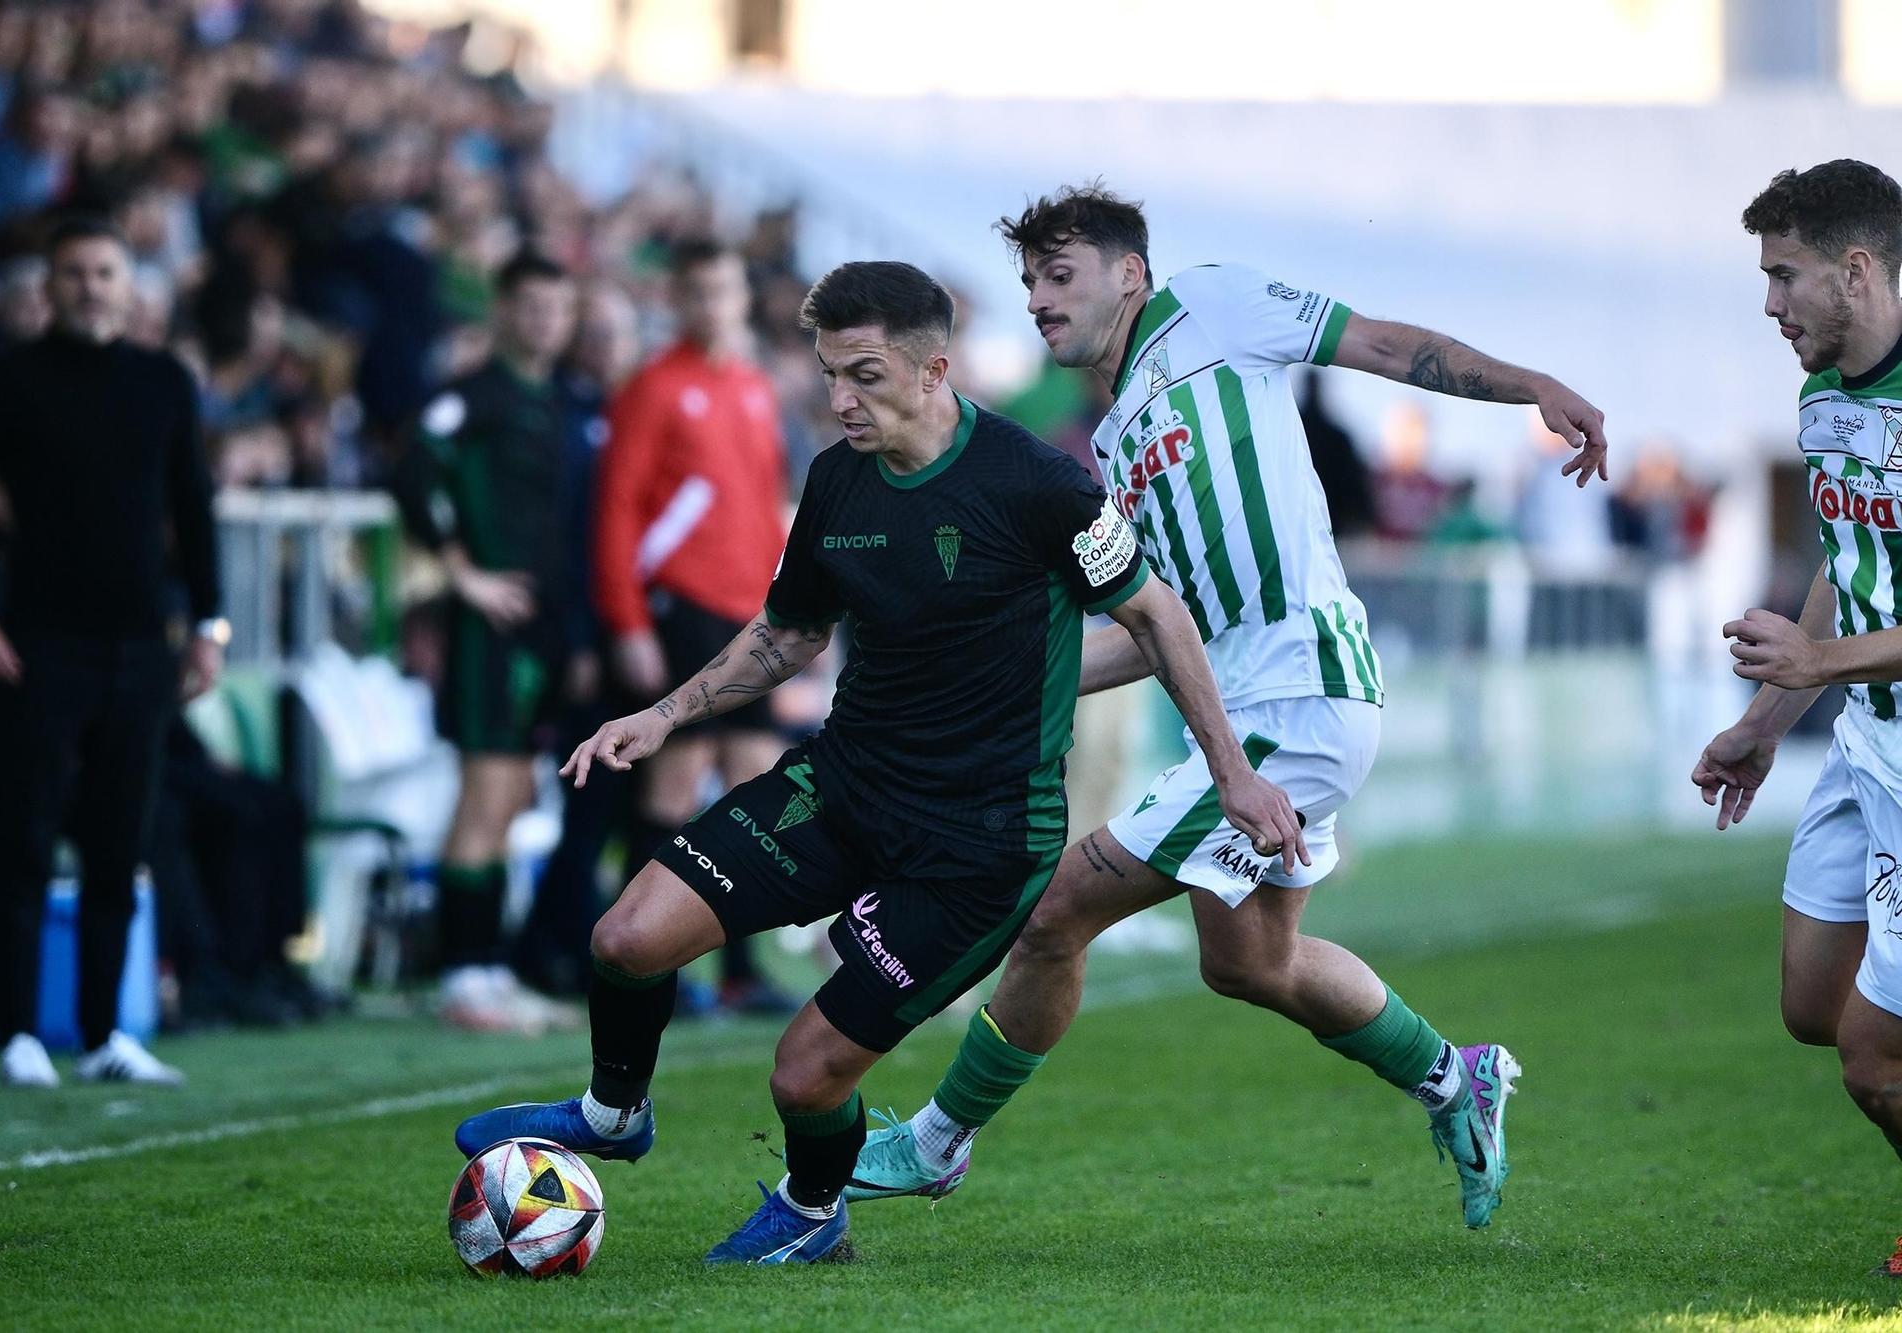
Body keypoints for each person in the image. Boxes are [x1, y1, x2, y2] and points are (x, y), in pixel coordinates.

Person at [450, 259, 1274, 1264]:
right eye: (830, 373)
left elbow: (1156, 615)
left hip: (976, 842)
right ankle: (614, 1112)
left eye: (865, 375)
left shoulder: (1040, 486)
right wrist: (662, 715)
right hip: (842, 786)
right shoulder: (838, 474)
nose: (839, 399)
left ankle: (809, 1209)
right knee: (624, 937)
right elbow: (788, 636)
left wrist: (1230, 772)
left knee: (802, 1079)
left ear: (934, 371)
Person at [850, 186, 1609, 1229]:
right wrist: (1005, 678)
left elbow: (1385, 347)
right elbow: (1163, 632)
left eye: (1057, 275)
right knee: (1248, 960)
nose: (1036, 298)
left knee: (1052, 913)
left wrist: (1527, 384)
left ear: (1128, 273)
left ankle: (934, 1144)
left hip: (1299, 695)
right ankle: (1453, 1078)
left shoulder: (1212, 306)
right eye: (1027, 281)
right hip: (1268, 704)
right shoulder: (1113, 440)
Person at [0, 214, 223, 1087]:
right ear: (47, 286)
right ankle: (18, 1030)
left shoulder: (166, 380)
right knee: (21, 835)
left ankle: (105, 1033)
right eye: (73, 272)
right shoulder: (9, 379)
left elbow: (196, 511)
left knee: (117, 839)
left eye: (104, 271)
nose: (90, 286)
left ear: (130, 285)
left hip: (140, 646)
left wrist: (209, 626)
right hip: (36, 643)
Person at [1689, 159, 1902, 1277]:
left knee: (1872, 1059)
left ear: (1854, 270)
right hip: (1863, 737)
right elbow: (1844, 558)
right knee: (1812, 1004)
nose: (1770, 306)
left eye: (1784, 277)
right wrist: (1766, 723)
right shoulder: (1822, 397)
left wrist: (1812, 658)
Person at [591, 237, 797, 1016]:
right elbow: (617, 508)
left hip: (750, 616)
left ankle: (740, 968)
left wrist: (790, 608)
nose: (714, 305)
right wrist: (628, 620)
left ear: (743, 299)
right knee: (672, 788)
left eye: (726, 290)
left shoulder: (751, 386)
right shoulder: (653, 386)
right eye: (700, 291)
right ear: (679, 300)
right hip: (683, 604)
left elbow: (765, 500)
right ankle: (635, 959)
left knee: (753, 792)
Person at [395, 251, 596, 1034]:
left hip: (548, 630)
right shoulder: (468, 398)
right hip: (490, 630)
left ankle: (486, 967)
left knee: (511, 797)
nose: (546, 320)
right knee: (485, 793)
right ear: (504, 310)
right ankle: (463, 976)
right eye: (532, 305)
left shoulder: (569, 400)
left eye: (559, 306)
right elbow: (412, 471)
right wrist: (462, 573)